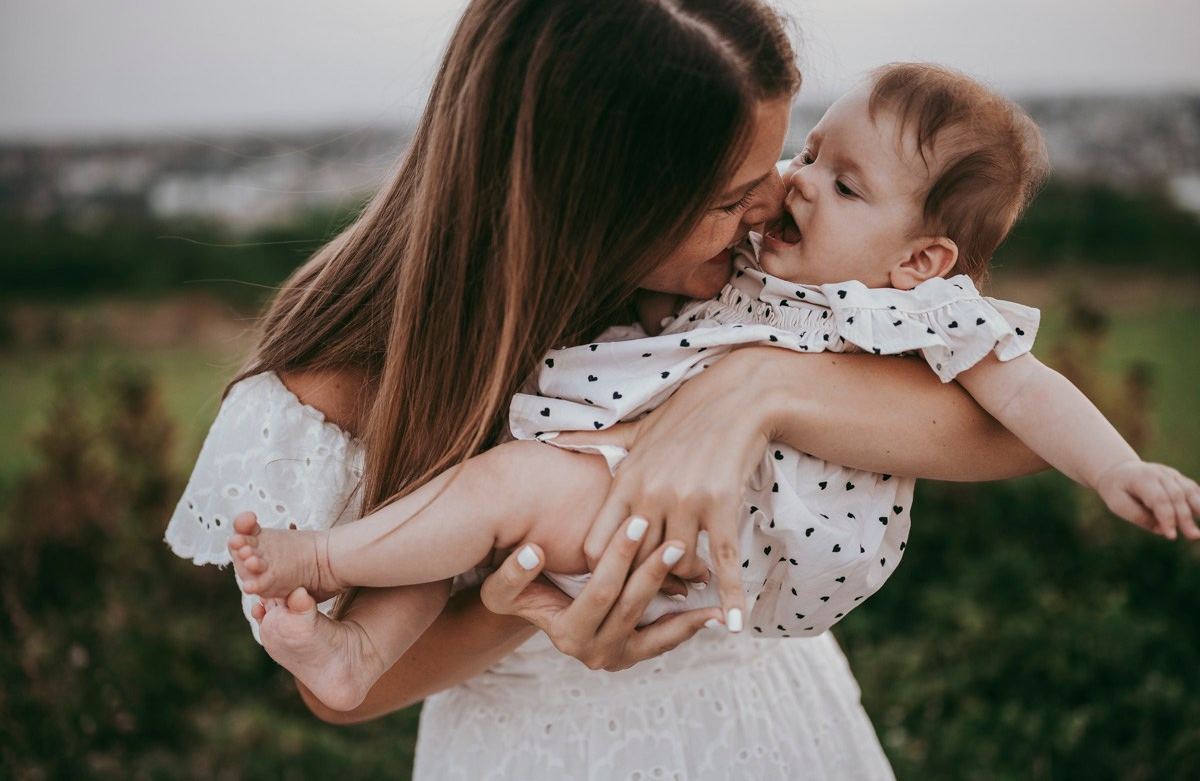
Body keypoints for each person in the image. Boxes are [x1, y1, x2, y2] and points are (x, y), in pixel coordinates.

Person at [166, 0, 1049, 778]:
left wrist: (751, 391)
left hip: (772, 724)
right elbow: (341, 689)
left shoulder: (742, 290)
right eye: (729, 198)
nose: (775, 204)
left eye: (776, 169)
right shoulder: (342, 372)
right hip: (531, 751)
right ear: (589, 203)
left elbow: (1012, 431)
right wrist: (526, 603)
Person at [223, 62, 1200, 712]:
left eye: (843, 184)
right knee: (481, 510)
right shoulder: (747, 278)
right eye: (807, 155)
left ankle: (324, 558)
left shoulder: (912, 312)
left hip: (734, 539)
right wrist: (512, 612)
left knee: (500, 490)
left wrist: (1119, 468)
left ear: (921, 258)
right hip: (615, 550)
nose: (792, 185)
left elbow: (1023, 407)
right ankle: (354, 649)